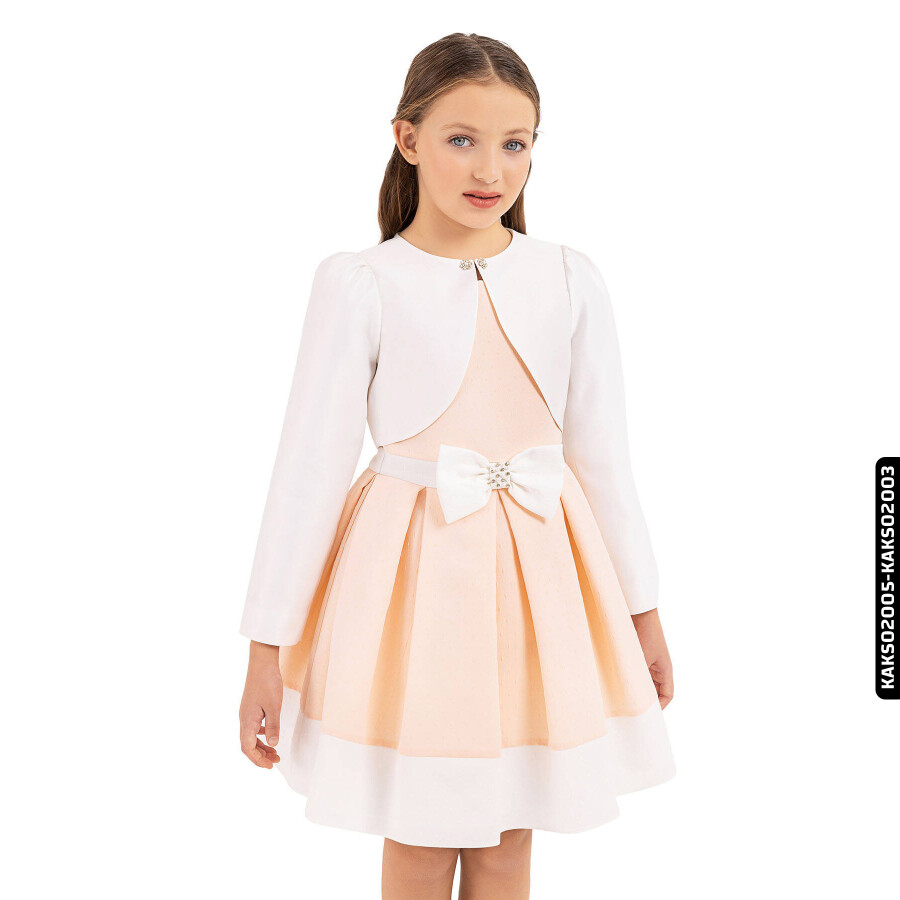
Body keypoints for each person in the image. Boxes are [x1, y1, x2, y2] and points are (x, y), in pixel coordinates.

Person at [238, 32, 676, 900]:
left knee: (510, 837)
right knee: (422, 833)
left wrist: (644, 611)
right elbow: (307, 471)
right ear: (407, 139)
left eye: (515, 143)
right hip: (411, 586)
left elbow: (604, 459)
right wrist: (264, 647)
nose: (490, 169)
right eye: (461, 139)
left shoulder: (569, 277)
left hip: (540, 585)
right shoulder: (363, 282)